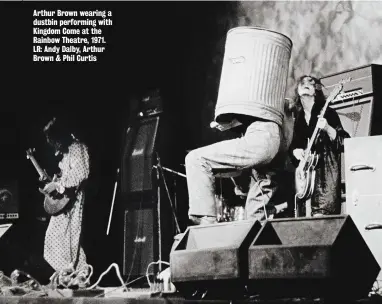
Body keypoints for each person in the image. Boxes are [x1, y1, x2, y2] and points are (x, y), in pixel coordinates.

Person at [185, 110, 290, 225]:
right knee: (254, 218)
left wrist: (230, 121)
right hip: (278, 141)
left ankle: (207, 224)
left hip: (263, 135)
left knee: (196, 159)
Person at [289, 75, 350, 216]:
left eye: (310, 83)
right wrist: (295, 152)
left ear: (315, 90)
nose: (305, 85)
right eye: (302, 83)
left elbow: (345, 142)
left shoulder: (328, 113)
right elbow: (291, 148)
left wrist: (328, 128)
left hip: (324, 186)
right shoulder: (297, 119)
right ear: (297, 91)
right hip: (305, 189)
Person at [40, 117, 90, 276]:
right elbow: (67, 175)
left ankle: (77, 276)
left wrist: (57, 186)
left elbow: (81, 173)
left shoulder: (77, 148)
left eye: (54, 141)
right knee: (57, 241)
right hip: (64, 202)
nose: (54, 145)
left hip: (73, 202)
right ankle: (73, 275)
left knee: (69, 241)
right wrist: (53, 181)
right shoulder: (67, 153)